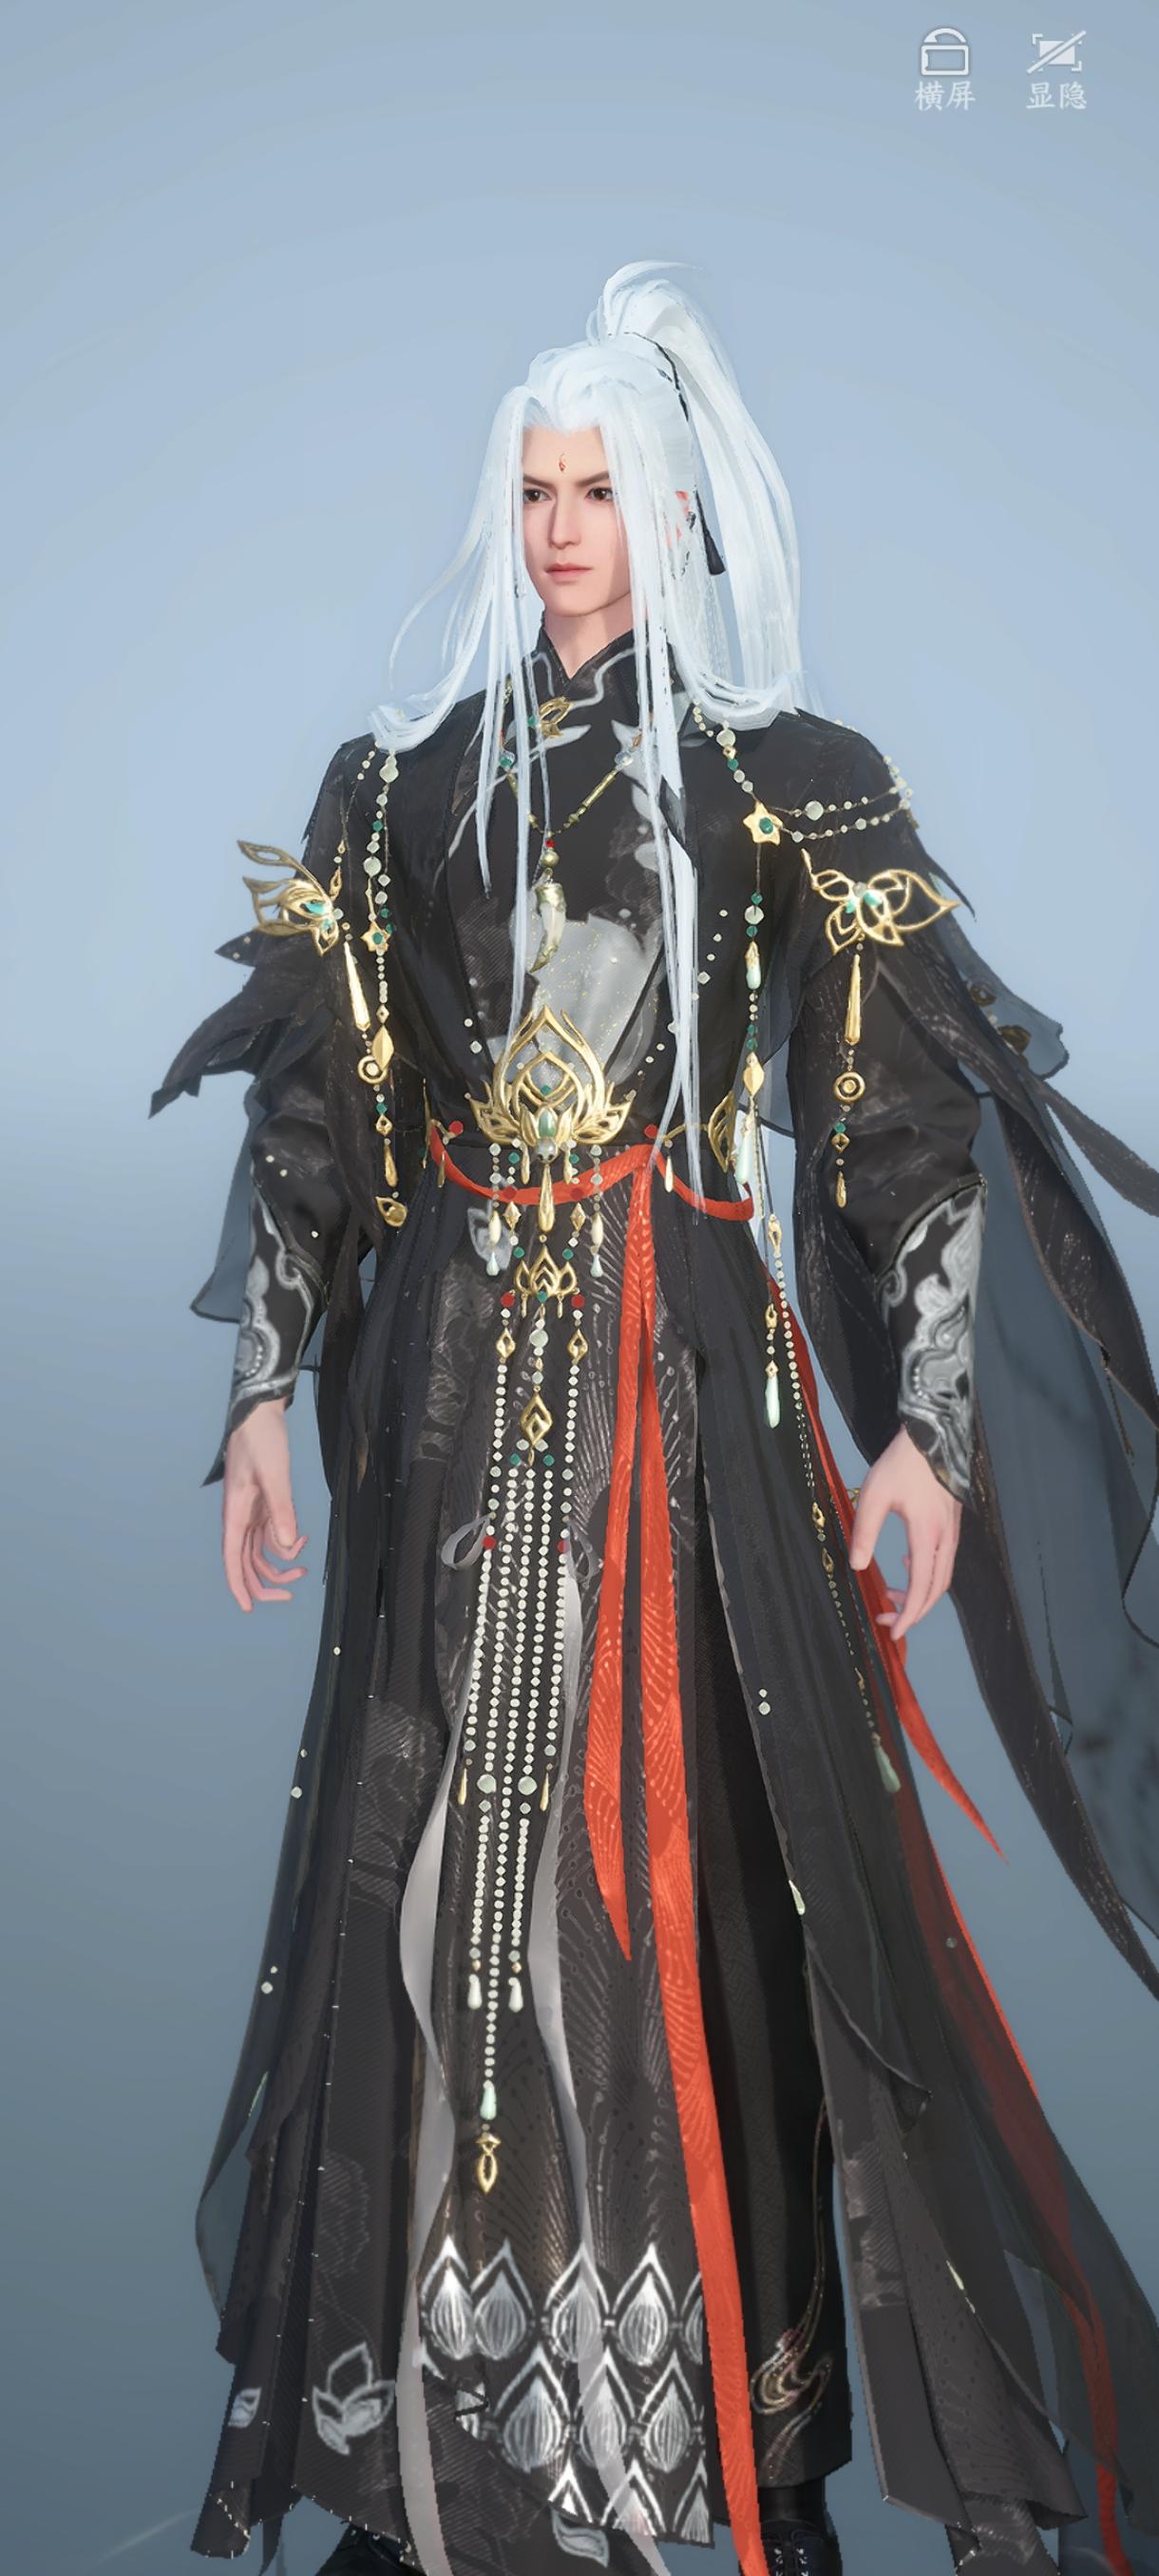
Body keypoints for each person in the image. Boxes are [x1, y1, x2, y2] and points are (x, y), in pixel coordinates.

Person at [151, 262, 1159, 2576]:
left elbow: (898, 1130)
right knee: (439, 1873)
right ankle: (453, 2444)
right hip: (448, 1399)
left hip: (683, 1400)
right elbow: (318, 1125)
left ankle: (714, 2430)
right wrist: (263, 1394)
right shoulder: (402, 785)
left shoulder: (789, 786)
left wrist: (927, 1430)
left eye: (599, 488)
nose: (559, 527)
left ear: (676, 508)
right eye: (534, 488)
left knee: (694, 1882)